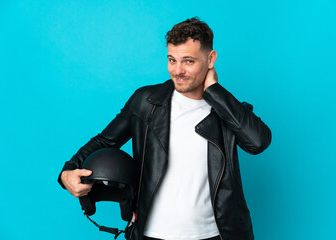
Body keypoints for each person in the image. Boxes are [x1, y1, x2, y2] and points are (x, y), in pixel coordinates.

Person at [58, 17, 271, 240]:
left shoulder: (226, 110)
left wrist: (214, 91)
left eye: (188, 61)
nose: (178, 71)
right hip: (151, 234)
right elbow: (104, 141)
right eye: (172, 60)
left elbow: (258, 142)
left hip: (215, 236)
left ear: (210, 59)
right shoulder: (145, 102)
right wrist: (67, 172)